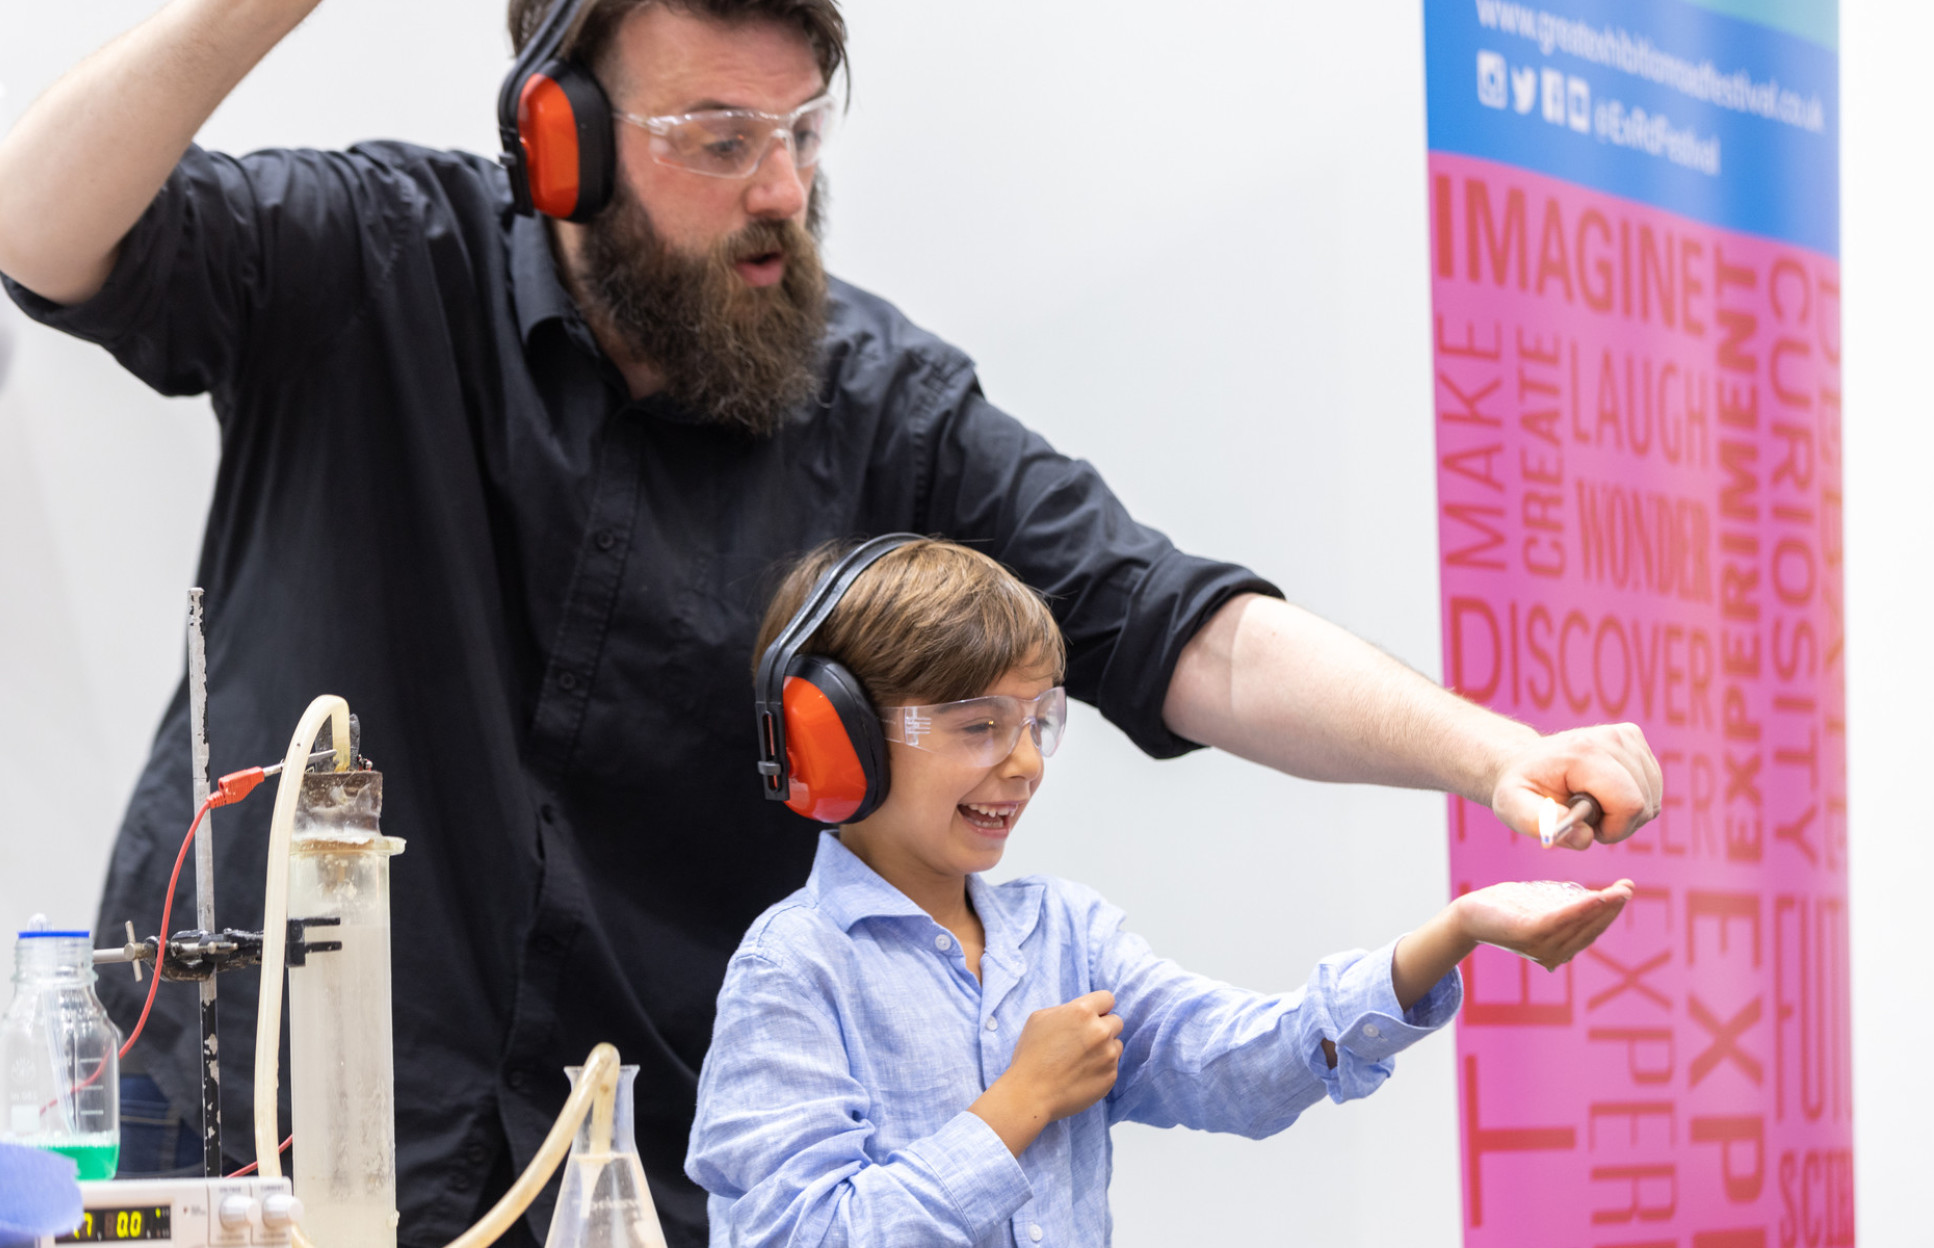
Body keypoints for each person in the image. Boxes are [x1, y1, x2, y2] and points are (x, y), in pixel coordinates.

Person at [0, 1, 1662, 1243]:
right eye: (717, 139)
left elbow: (1178, 626)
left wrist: (1494, 752)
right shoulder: (371, 259)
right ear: (555, 140)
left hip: (635, 1180)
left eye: (800, 130)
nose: (781, 187)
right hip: (248, 1150)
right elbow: (42, 230)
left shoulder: (879, 406)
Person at [688, 537, 1636, 1244]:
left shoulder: (1067, 937)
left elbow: (1235, 1065)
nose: (1023, 764)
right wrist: (1016, 1105)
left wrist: (1455, 931)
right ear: (836, 738)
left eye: (1037, 723)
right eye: (980, 725)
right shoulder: (795, 971)